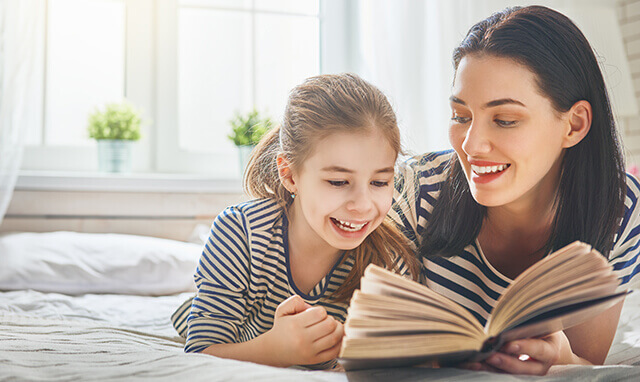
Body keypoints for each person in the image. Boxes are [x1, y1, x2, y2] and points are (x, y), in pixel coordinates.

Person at [390, 5, 640, 375]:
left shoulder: (618, 208)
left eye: (505, 120)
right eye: (461, 116)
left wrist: (563, 361)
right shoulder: (416, 191)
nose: (472, 145)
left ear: (574, 124)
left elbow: (588, 363)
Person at [171, 73, 420, 369]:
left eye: (379, 182)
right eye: (339, 182)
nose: (363, 205)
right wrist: (274, 350)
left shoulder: (388, 260)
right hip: (242, 339)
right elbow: (200, 355)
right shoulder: (241, 234)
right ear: (290, 175)